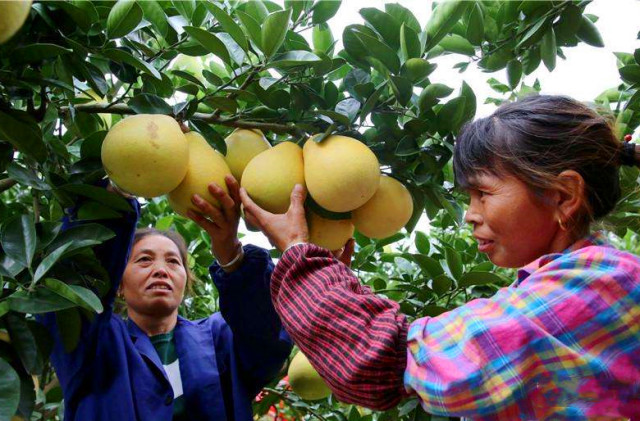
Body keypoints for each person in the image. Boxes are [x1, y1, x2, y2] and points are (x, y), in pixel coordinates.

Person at [240, 95, 640, 420]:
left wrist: (299, 255)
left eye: (483, 193)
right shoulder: (572, 285)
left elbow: (384, 361)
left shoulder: (600, 284)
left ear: (563, 196)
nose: (470, 213)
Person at [38, 174, 292, 421]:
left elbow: (266, 339)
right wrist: (119, 187)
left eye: (173, 261)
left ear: (185, 280)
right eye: (144, 259)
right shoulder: (96, 343)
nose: (161, 270)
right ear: (118, 285)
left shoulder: (220, 338)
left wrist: (232, 256)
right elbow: (70, 285)